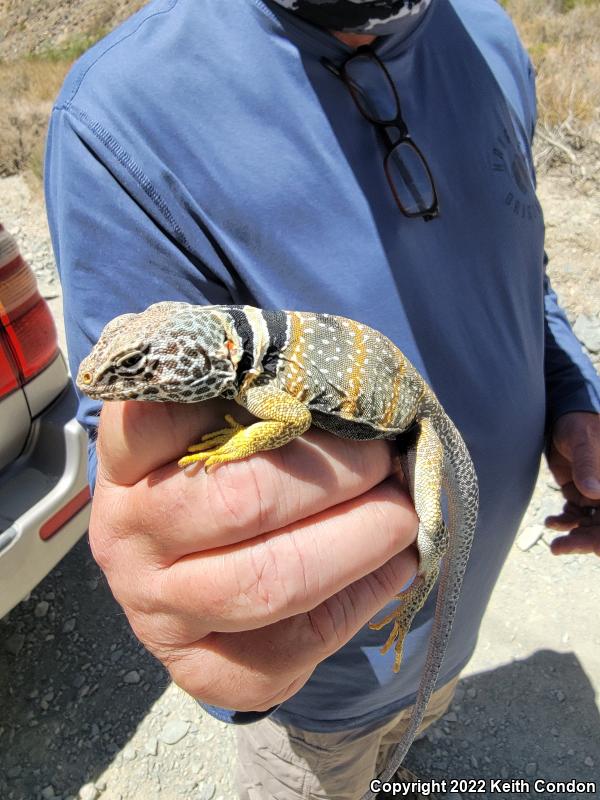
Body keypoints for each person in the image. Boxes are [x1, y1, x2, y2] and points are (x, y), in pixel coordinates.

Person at [45, 0, 600, 797]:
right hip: (323, 700)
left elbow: (525, 273)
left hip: (452, 635)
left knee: (412, 744)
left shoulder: (489, 33)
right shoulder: (117, 115)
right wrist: (164, 553)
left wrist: (574, 390)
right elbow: (139, 469)